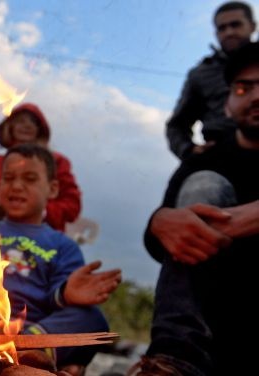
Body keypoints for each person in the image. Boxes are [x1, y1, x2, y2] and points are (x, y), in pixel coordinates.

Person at [0, 144, 121, 375]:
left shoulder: (63, 245)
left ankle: (27, 352)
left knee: (90, 318)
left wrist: (65, 294)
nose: (17, 186)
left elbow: (59, 299)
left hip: (32, 329)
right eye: (8, 178)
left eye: (30, 179)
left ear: (52, 189)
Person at [133, 41, 259, 375]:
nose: (257, 96)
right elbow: (159, 232)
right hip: (216, 330)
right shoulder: (206, 158)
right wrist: (160, 221)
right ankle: (174, 359)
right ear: (227, 104)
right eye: (244, 88)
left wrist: (246, 218)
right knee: (204, 185)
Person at [0, 103, 81, 232]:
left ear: (40, 130)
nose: (27, 125)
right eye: (20, 121)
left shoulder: (57, 161)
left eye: (34, 123)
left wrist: (34, 209)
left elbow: (72, 207)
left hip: (40, 241)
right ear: (10, 126)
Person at [165, 1, 256, 160]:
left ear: (252, 26)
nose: (229, 32)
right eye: (222, 28)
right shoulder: (201, 74)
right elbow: (177, 125)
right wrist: (189, 150)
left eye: (236, 25)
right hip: (219, 158)